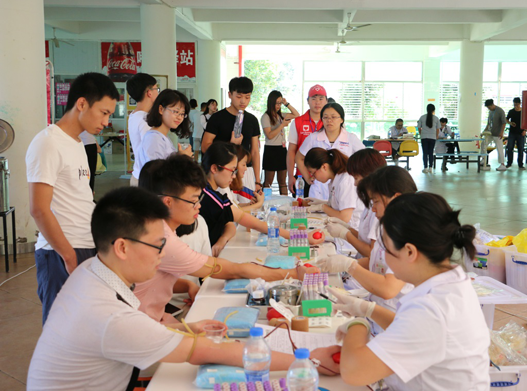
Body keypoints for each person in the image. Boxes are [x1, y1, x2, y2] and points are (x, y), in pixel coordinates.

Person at [27, 187, 339, 391]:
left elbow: (131, 335)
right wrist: (307, 359)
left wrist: (187, 328)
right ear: (122, 247)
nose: (162, 255)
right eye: (157, 246)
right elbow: (207, 351)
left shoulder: (89, 272)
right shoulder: (109, 315)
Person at [331, 192, 490, 391]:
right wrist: (368, 310)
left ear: (409, 251)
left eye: (386, 250)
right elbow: (408, 328)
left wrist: (358, 324)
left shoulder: (431, 309)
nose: (384, 259)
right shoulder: (452, 282)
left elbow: (354, 371)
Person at [136, 155, 316, 323]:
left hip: (155, 318)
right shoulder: (162, 240)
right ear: (168, 202)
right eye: (193, 201)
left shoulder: (158, 228)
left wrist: (186, 285)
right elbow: (233, 270)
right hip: (143, 325)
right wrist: (292, 274)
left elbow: (158, 276)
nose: (198, 206)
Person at [26, 72, 119, 324]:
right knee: (61, 328)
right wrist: (68, 256)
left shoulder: (77, 142)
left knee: (86, 326)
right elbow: (39, 209)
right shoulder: (48, 143)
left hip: (86, 245)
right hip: (61, 251)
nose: (106, 121)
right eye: (103, 112)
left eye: (110, 114)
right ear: (81, 103)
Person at [320, 165, 418, 334]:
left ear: (396, 198)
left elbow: (388, 289)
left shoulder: (407, 233)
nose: (373, 209)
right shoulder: (386, 225)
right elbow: (377, 261)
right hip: (377, 311)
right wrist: (342, 264)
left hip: (392, 321)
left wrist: (350, 266)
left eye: (376, 202)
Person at [200, 143, 319, 255]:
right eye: (232, 170)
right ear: (214, 168)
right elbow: (251, 222)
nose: (234, 175)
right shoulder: (209, 197)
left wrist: (222, 239)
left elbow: (230, 223)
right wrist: (299, 236)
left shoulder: (211, 193)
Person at [202, 77, 262, 193]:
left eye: (247, 97)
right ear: (230, 95)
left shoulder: (252, 120)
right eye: (239, 97)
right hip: (223, 171)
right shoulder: (217, 118)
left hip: (245, 171)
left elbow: (255, 151)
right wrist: (230, 145)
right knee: (225, 203)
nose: (243, 101)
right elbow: (205, 147)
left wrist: (257, 180)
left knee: (248, 203)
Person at [325, 149, 387, 259]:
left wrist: (345, 234)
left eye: (356, 178)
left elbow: (372, 253)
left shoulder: (379, 208)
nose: (354, 184)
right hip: (360, 260)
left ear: (369, 175)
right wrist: (346, 228)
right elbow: (365, 238)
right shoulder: (371, 201)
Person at [296, 103, 365, 200]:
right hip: (319, 189)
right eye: (325, 117)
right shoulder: (313, 138)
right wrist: (307, 178)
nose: (329, 120)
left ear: (341, 119)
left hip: (343, 188)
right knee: (317, 209)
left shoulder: (351, 138)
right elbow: (299, 158)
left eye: (333, 117)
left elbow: (365, 159)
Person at [303, 148, 364, 230]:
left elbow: (344, 217)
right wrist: (321, 203)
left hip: (353, 230)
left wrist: (323, 207)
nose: (313, 177)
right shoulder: (334, 180)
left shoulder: (345, 180)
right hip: (342, 228)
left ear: (324, 167)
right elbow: (338, 206)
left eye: (313, 173)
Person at [287, 84, 327, 197]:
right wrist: (290, 176)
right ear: (308, 101)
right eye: (313, 99)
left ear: (326, 101)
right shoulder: (297, 122)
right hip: (302, 176)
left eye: (321, 99)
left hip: (325, 176)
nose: (317, 102)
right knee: (301, 207)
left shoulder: (330, 122)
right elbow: (291, 151)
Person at [138, 89, 193, 171]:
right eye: (176, 111)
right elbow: (157, 173)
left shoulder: (162, 136)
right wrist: (181, 158)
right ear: (161, 109)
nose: (180, 117)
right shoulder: (154, 138)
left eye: (182, 114)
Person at [262, 90, 299, 196]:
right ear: (271, 102)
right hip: (271, 149)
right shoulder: (266, 117)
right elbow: (269, 135)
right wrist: (282, 125)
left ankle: (285, 204)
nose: (278, 106)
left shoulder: (281, 115)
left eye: (279, 103)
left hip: (282, 149)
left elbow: (297, 115)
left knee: (282, 182)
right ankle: (265, 202)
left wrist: (286, 104)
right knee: (268, 182)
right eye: (276, 103)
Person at [126, 73, 160, 186]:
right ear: (149, 93)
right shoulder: (145, 119)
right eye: (157, 89)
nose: (158, 93)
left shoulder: (134, 115)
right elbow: (151, 153)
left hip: (138, 174)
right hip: (146, 179)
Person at [219, 145, 265, 212]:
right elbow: (233, 213)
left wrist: (249, 205)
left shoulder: (227, 186)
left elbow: (235, 206)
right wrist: (259, 204)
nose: (246, 169)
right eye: (243, 165)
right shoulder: (222, 187)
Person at [481, 99, 507, 172]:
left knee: (499, 148)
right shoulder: (490, 112)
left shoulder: (500, 111)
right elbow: (488, 123)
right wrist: (484, 132)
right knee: (483, 144)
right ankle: (483, 159)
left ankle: (502, 164)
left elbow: (504, 122)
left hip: (498, 134)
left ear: (492, 105)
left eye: (489, 107)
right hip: (490, 133)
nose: (488, 108)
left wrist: (501, 133)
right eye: (487, 107)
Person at [417, 104, 440, 173]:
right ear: (433, 110)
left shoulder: (422, 117)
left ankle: (425, 168)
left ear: (427, 109)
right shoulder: (436, 118)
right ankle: (430, 168)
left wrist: (421, 134)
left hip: (424, 137)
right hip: (432, 137)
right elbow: (437, 129)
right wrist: (436, 136)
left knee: (425, 153)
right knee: (431, 152)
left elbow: (419, 128)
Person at [506, 97, 526, 169]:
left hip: (521, 133)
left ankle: (520, 164)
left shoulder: (523, 112)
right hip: (512, 132)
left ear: (520, 103)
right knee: (510, 148)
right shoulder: (511, 111)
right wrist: (510, 123)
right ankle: (509, 163)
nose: (516, 106)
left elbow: (526, 122)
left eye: (517, 105)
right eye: (514, 105)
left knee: (520, 149)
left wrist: (525, 130)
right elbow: (506, 119)